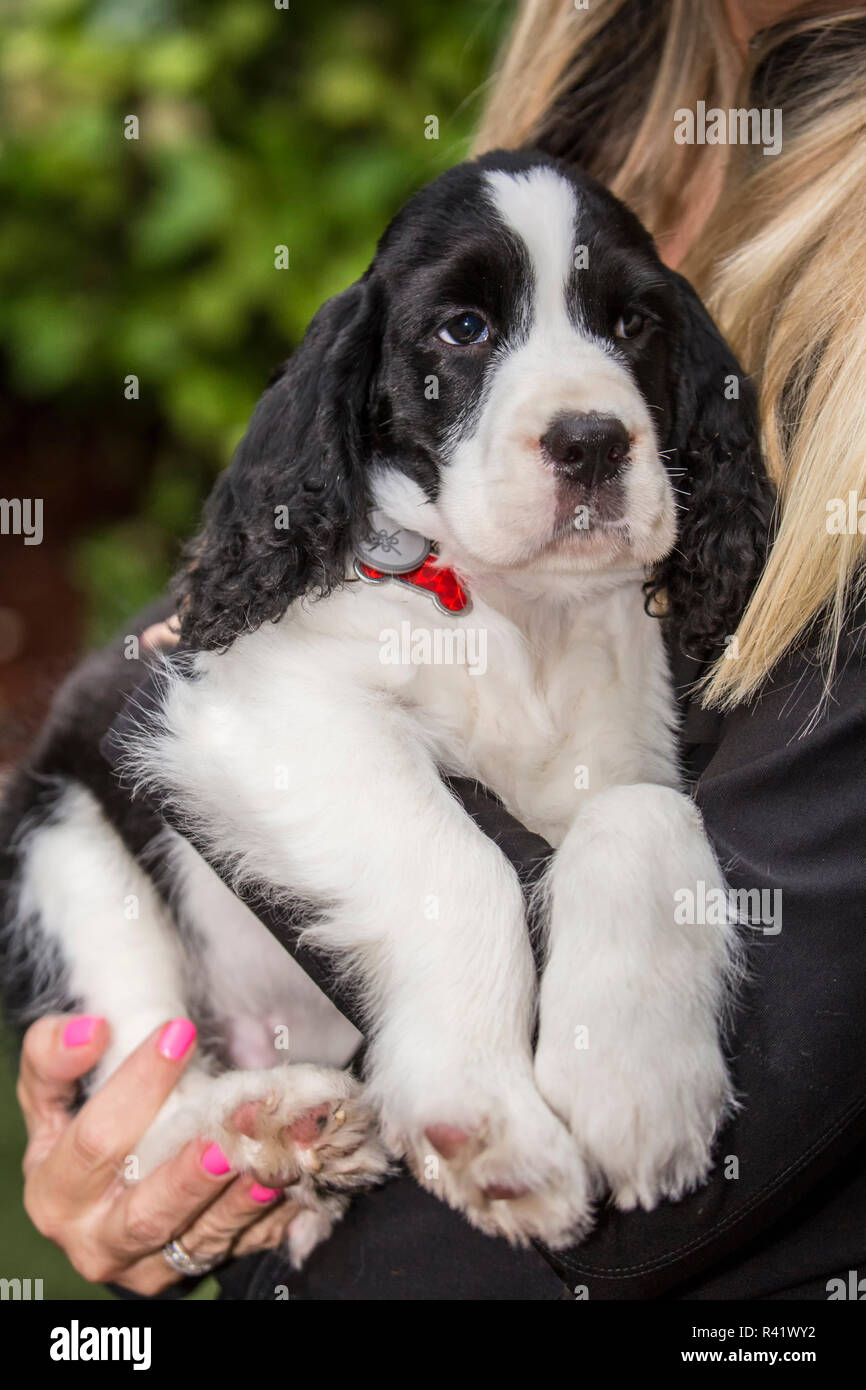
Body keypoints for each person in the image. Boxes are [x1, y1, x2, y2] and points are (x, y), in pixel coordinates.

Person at [14, 0, 866, 1298]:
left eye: (624, 327)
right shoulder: (594, 111)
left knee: (637, 823)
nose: (578, 408)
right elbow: (196, 687)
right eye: (469, 327)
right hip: (215, 974)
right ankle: (197, 1098)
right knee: (77, 803)